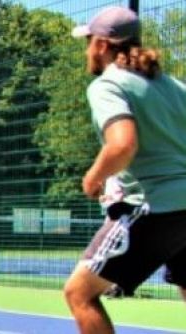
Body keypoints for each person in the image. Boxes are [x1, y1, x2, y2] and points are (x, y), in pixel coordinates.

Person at [64, 6, 186, 333]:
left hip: (155, 207)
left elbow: (122, 144)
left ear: (102, 45)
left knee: (79, 293)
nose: (87, 50)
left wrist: (94, 177)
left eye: (88, 41)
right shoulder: (175, 86)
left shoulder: (108, 85)